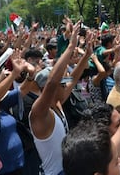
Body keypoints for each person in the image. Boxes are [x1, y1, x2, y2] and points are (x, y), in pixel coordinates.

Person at [29, 21, 91, 175]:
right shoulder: (39, 113)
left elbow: (73, 79)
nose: (66, 84)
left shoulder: (58, 102)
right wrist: (70, 47)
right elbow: (52, 82)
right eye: (62, 82)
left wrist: (87, 56)